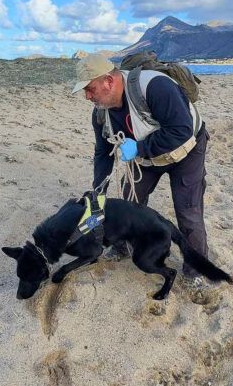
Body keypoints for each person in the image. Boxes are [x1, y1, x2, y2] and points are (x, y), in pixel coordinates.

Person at [71, 53, 209, 285]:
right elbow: (103, 153)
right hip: (146, 157)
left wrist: (139, 148)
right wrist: (98, 193)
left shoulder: (155, 87)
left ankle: (196, 272)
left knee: (188, 212)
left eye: (90, 89)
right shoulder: (100, 114)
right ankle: (122, 246)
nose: (87, 96)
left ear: (109, 81)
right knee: (128, 200)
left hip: (186, 151)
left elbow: (181, 130)